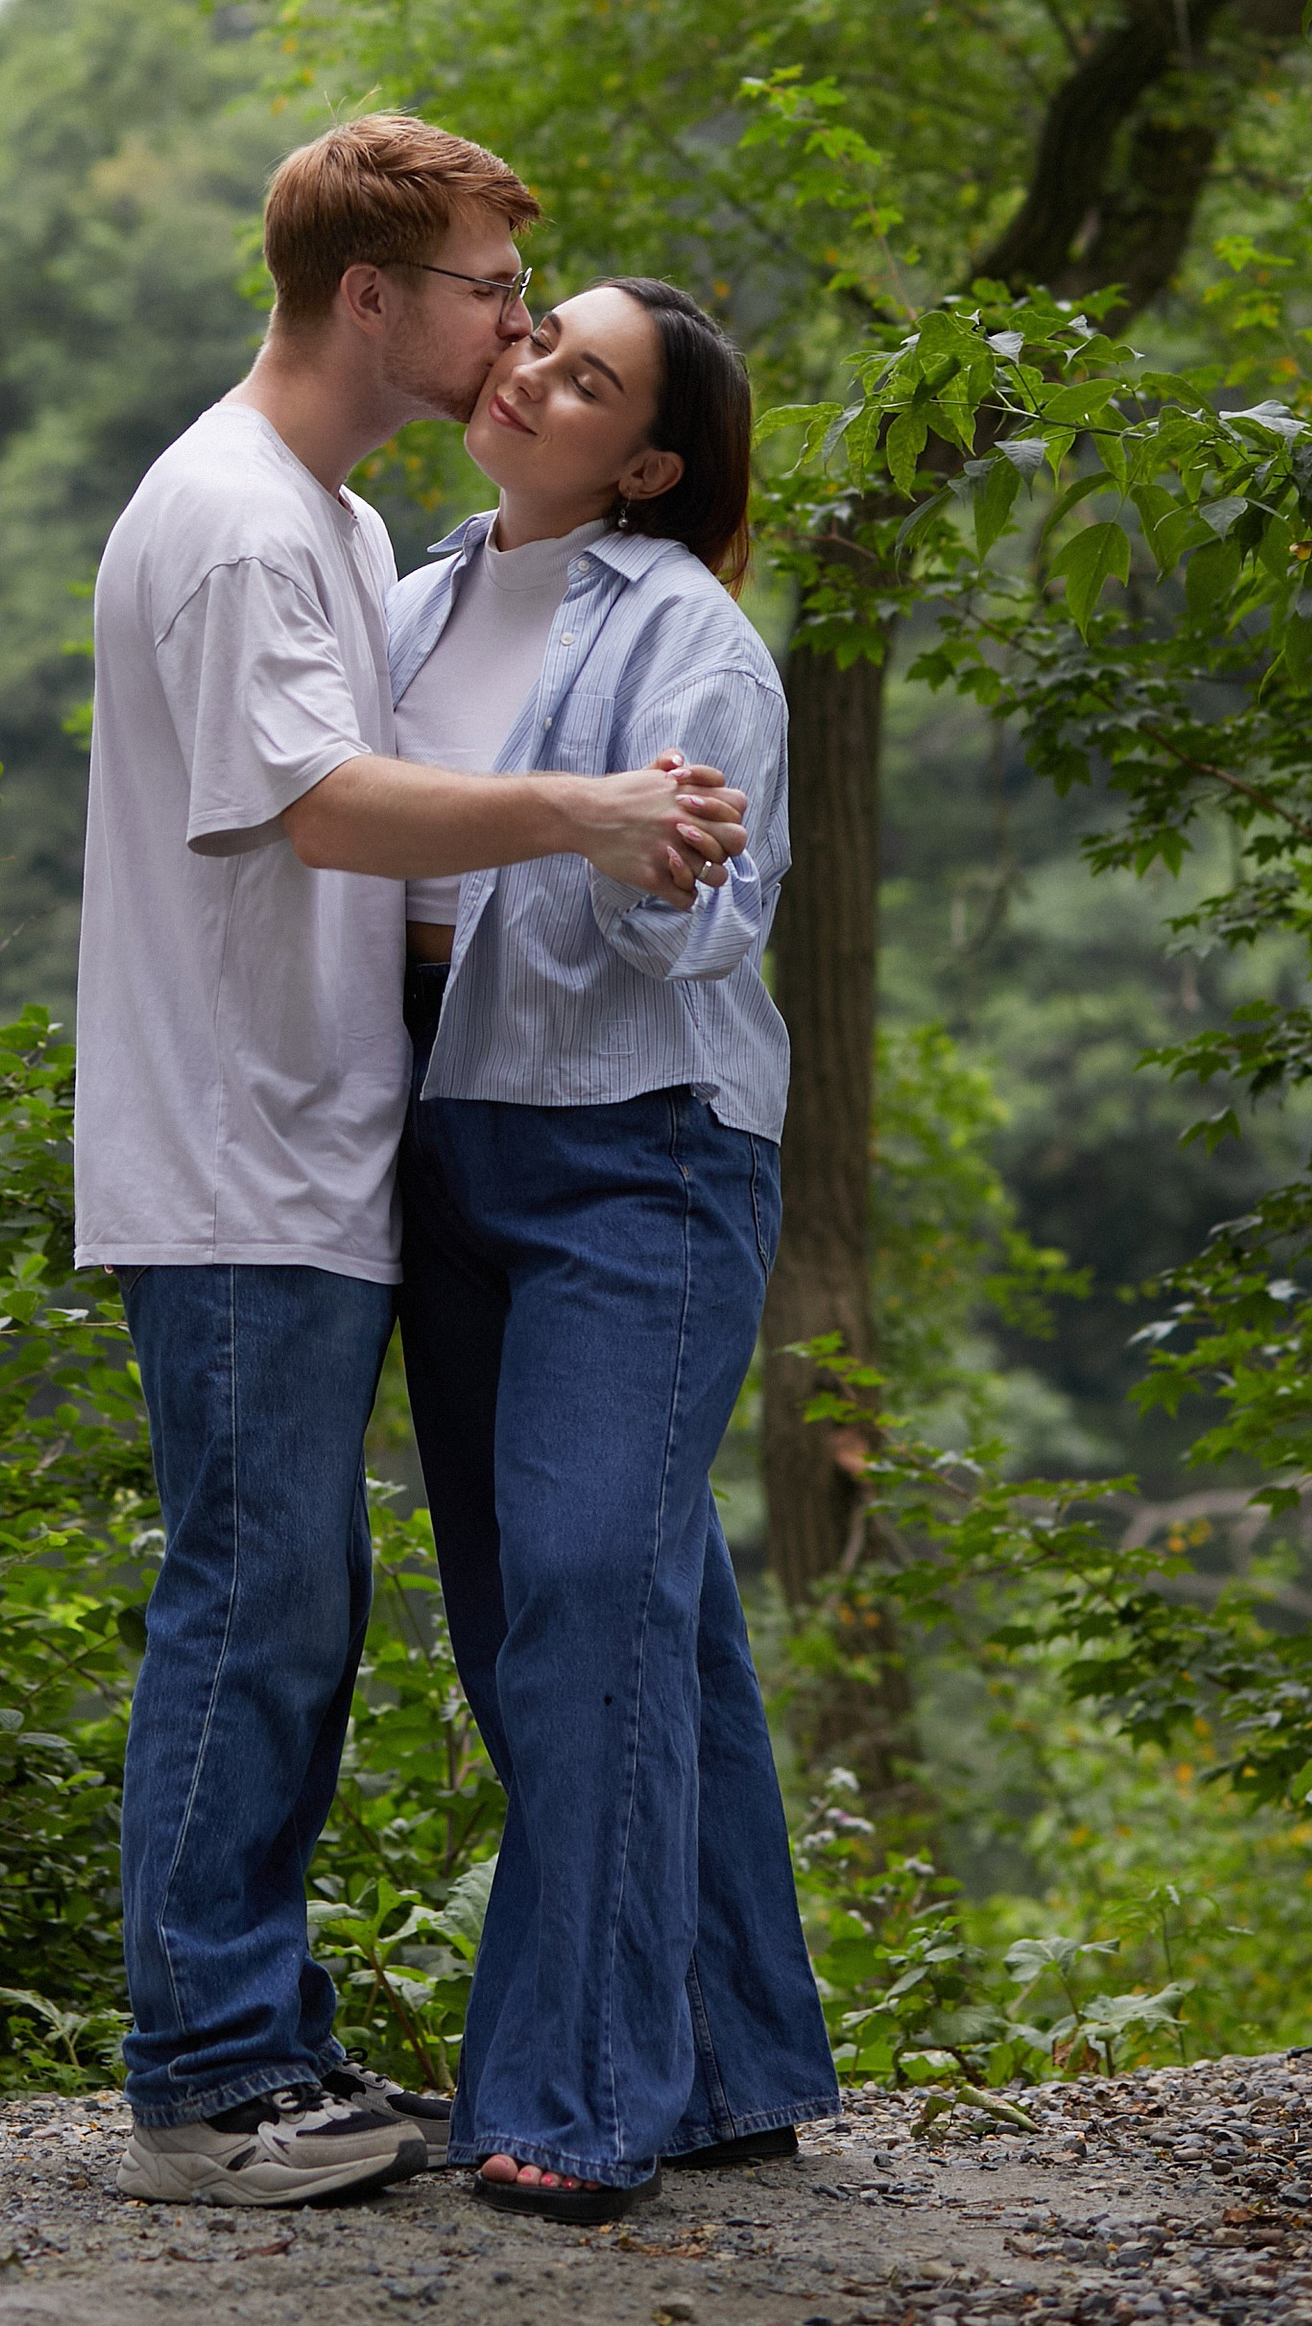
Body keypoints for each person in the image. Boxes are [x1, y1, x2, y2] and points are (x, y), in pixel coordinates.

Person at [74, 124, 750, 2212]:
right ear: (372, 299)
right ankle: (209, 2076)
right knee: (258, 1605)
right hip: (239, 1152)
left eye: (541, 315)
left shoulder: (349, 532)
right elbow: (323, 809)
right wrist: (581, 811)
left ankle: (656, 2053)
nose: (513, 332)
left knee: (385, 1601)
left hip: (353, 1147)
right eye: (489, 292)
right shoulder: (246, 525)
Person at [389, 276, 840, 2220]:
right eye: (534, 342)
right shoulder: (407, 602)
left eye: (586, 381)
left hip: (636, 1155)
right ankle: (728, 2061)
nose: (530, 375)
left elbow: (703, 927)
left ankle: (580, 2099)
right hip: (444, 1145)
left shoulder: (688, 640)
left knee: (581, 1595)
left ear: (645, 465)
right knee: (601, 1603)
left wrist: (636, 854)